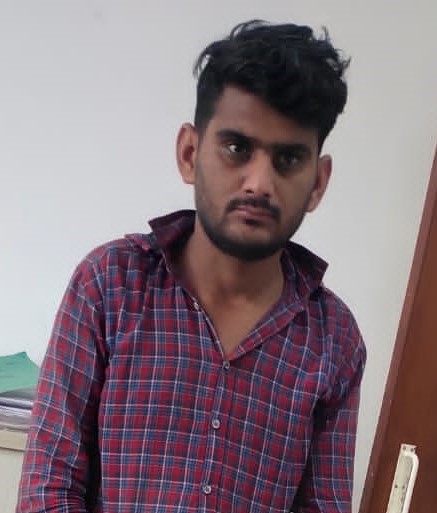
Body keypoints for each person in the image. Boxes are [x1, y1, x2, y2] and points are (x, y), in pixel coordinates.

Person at [17, 19, 366, 513]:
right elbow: (48, 488)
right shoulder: (110, 285)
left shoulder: (335, 339)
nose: (259, 182)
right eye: (237, 148)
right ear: (189, 153)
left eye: (288, 159)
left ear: (318, 182)